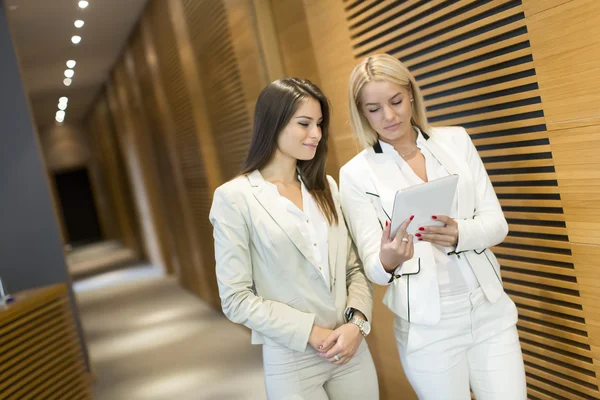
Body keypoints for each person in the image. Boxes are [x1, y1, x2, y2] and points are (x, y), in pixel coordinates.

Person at [339, 53, 526, 400]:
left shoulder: (456, 141)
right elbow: (375, 269)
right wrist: (390, 258)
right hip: (428, 328)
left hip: (488, 309)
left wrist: (460, 233)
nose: (390, 116)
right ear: (362, 112)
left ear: (410, 93)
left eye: (396, 101)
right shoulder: (355, 173)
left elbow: (497, 224)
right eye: (374, 108)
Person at [209, 78, 378, 400]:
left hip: (349, 347)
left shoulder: (325, 187)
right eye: (304, 124)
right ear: (272, 123)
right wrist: (310, 333)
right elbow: (235, 298)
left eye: (319, 124)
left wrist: (357, 323)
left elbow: (353, 270)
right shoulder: (235, 197)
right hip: (292, 358)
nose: (315, 134)